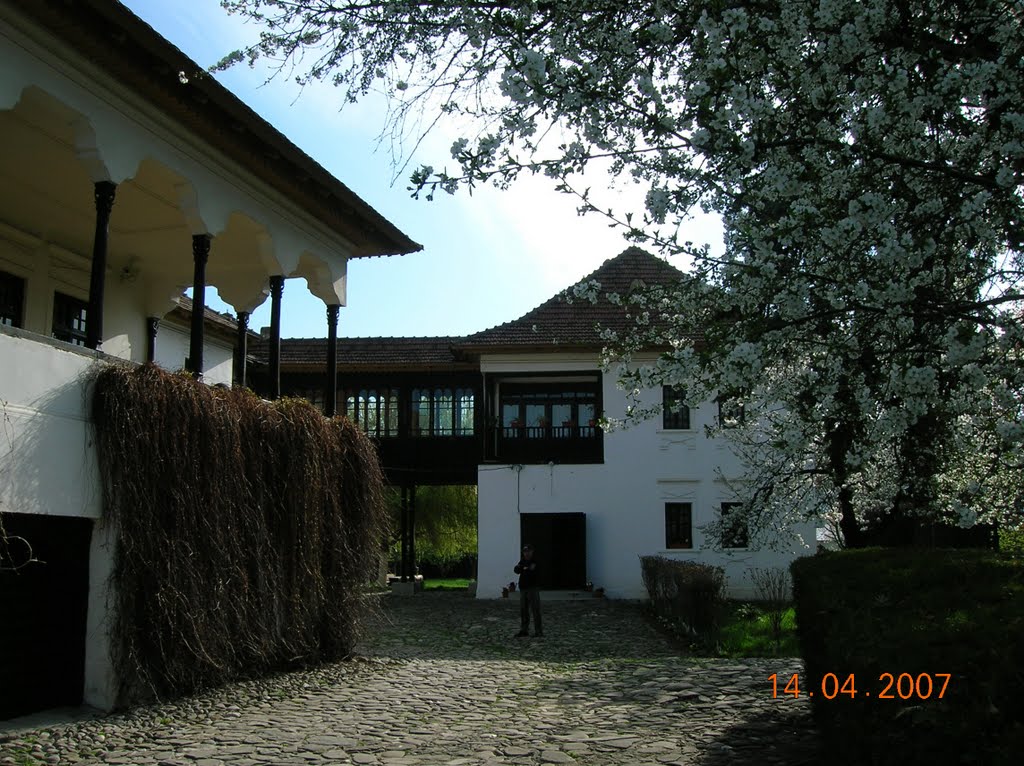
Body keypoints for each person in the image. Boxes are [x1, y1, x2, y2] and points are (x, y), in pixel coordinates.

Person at [514, 543, 542, 637]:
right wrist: (524, 568)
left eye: (528, 551)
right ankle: (524, 629)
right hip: (523, 589)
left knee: (535, 610)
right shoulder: (522, 561)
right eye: (525, 552)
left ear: (532, 552)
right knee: (524, 610)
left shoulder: (535, 561)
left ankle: (538, 631)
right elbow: (516, 570)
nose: (526, 553)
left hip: (532, 588)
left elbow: (531, 570)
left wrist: (523, 568)